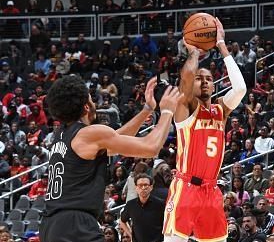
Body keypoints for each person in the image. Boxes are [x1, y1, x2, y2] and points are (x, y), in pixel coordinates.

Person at [39, 76, 182, 242]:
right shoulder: (89, 134)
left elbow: (116, 139)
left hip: (51, 225)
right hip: (75, 225)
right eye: (92, 99)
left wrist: (147, 109)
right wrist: (167, 111)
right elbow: (151, 147)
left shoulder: (62, 134)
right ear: (86, 106)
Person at [163, 17, 247, 242]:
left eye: (209, 78)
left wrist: (221, 44)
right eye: (200, 79)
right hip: (185, 187)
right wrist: (194, 52)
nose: (205, 81)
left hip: (211, 191)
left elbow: (240, 88)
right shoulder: (186, 107)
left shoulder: (221, 109)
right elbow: (187, 78)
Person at [119, 174, 165, 242]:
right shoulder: (131, 204)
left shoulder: (160, 204)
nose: (143, 188)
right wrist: (130, 235)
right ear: (136, 187)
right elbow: (122, 221)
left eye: (146, 185)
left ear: (151, 187)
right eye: (140, 185)